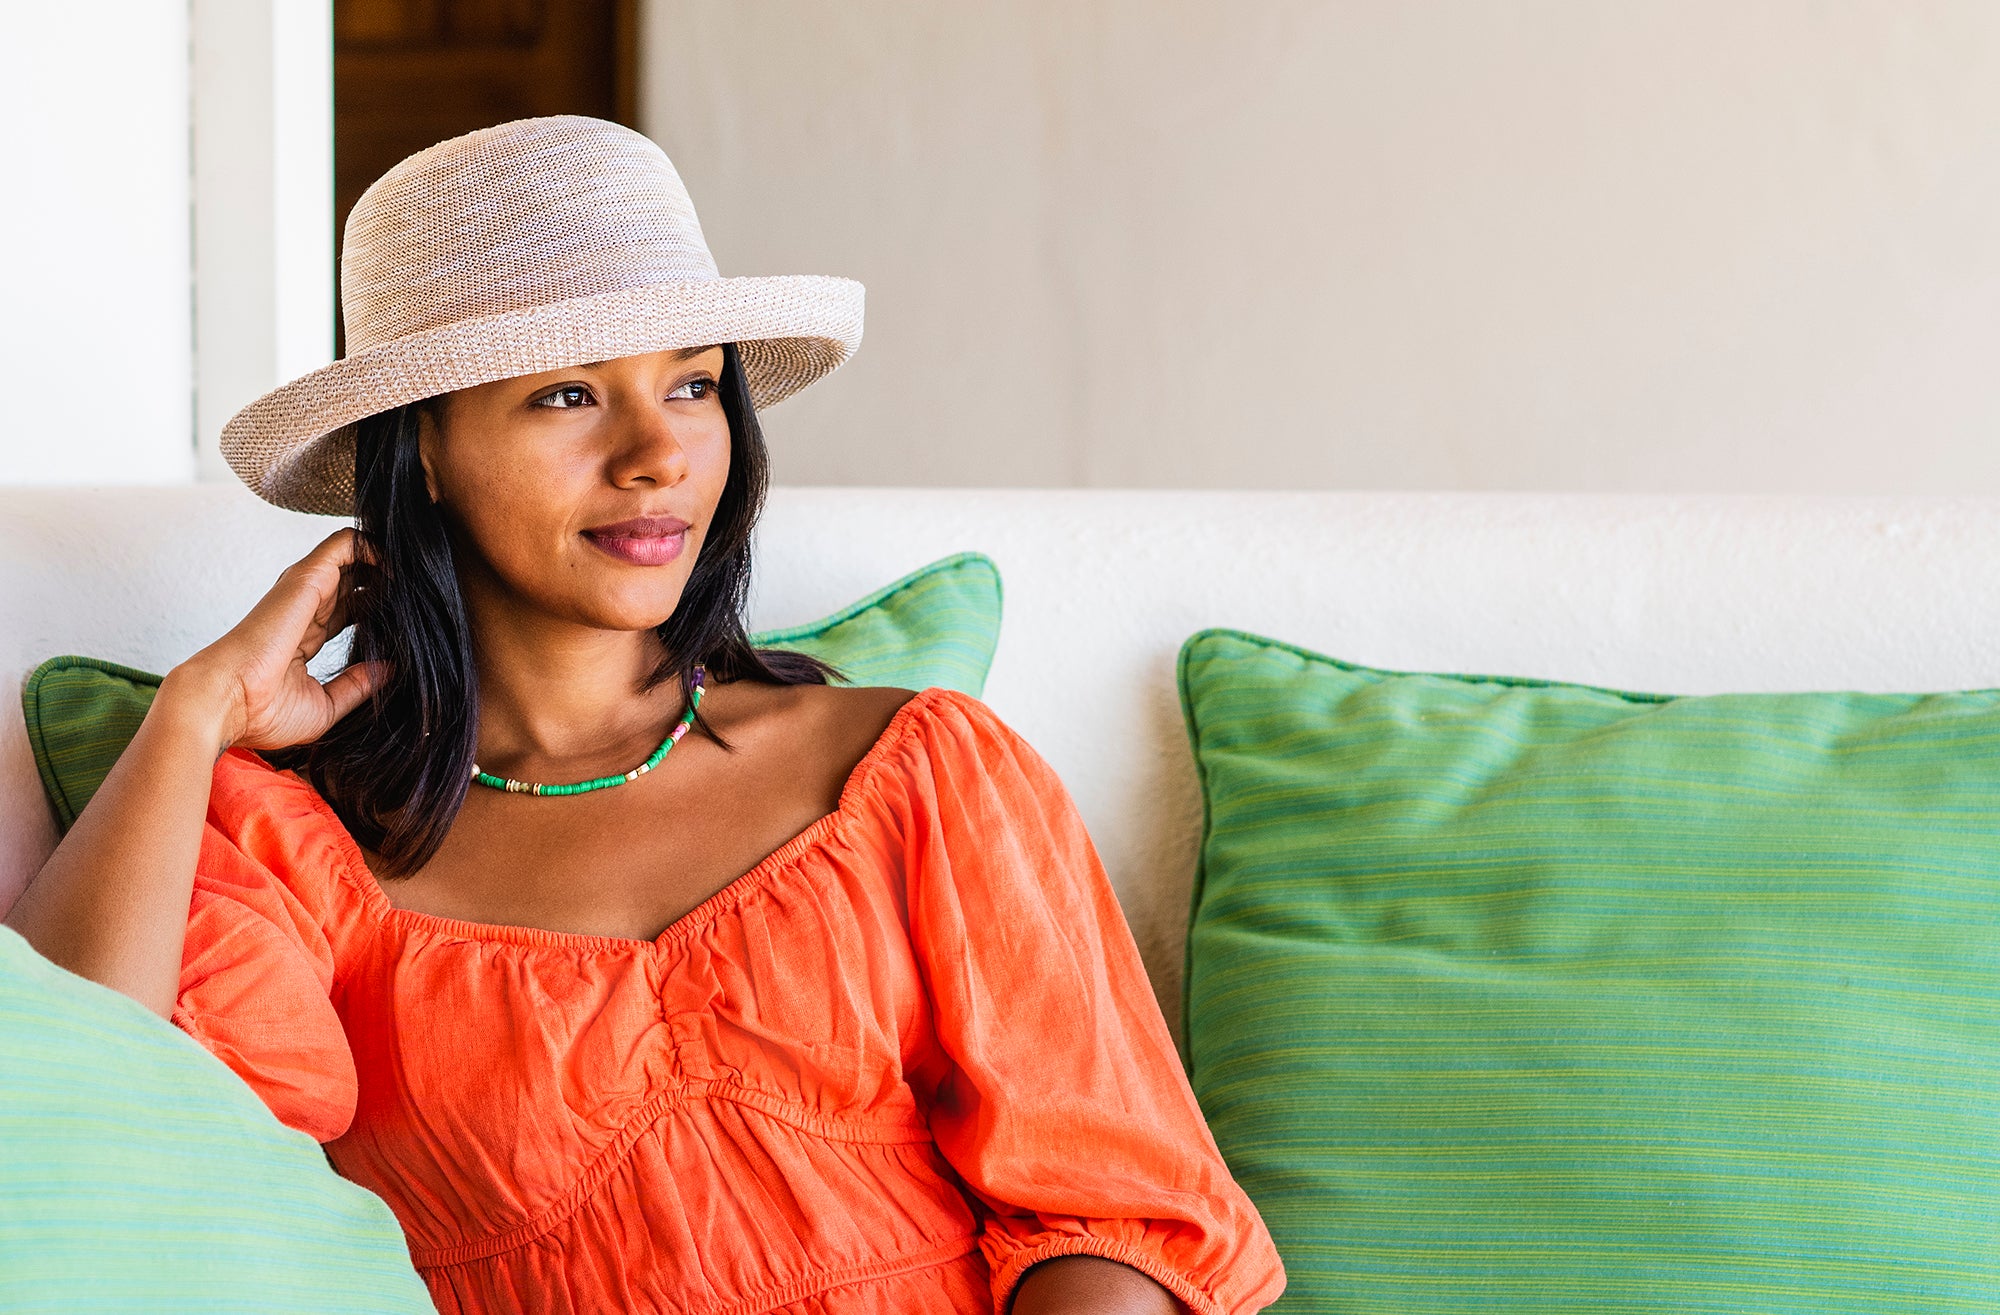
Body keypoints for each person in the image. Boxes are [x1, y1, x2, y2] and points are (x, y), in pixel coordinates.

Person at [5, 116, 1284, 1315]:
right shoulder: (297, 849)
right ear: (428, 448)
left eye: (690, 386)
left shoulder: (918, 775)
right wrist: (193, 714)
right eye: (568, 394)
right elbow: (69, 1111)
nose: (656, 453)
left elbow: (1111, 1216)